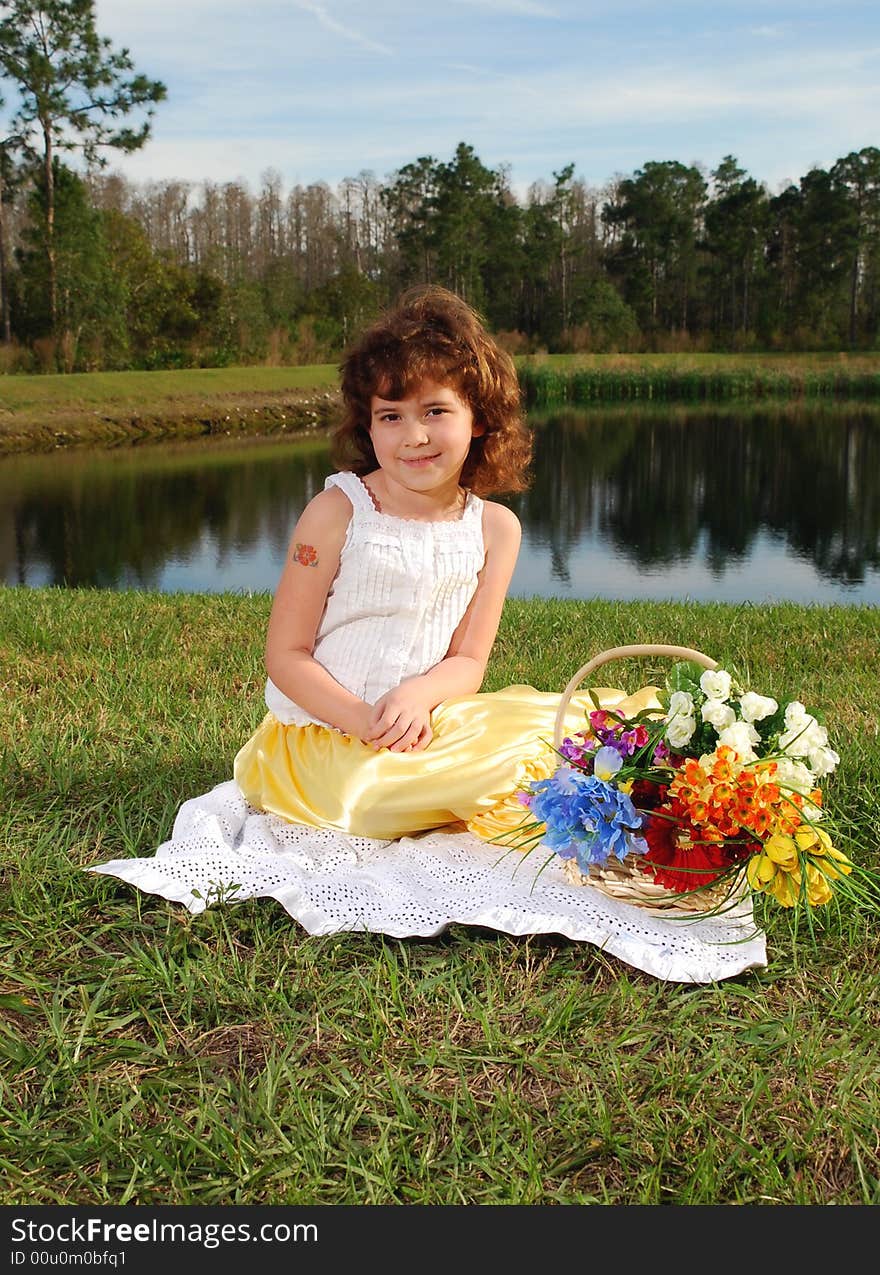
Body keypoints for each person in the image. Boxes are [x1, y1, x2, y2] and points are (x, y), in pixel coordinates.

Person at [90, 286, 767, 984]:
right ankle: (599, 825)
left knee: (561, 735)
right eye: (391, 416)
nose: (414, 436)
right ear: (368, 424)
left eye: (436, 411)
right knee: (453, 786)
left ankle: (674, 814)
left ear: (480, 419)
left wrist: (417, 695)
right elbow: (284, 654)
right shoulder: (337, 511)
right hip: (322, 739)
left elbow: (469, 660)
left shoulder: (494, 528)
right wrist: (362, 716)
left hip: (429, 714)